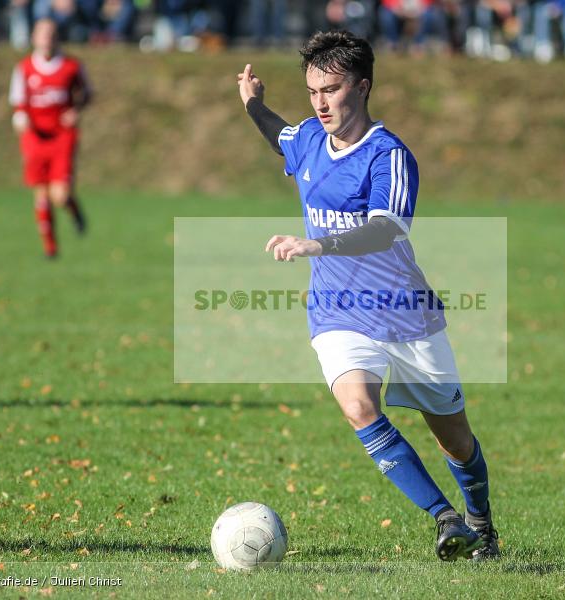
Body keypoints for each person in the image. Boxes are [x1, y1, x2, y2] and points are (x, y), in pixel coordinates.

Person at [236, 30, 500, 562]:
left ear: (362, 87)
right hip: (337, 312)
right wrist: (253, 105)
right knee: (358, 406)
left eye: (331, 90)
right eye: (312, 91)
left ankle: (482, 525)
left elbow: (384, 230)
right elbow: (281, 136)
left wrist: (318, 243)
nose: (320, 102)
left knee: (456, 440)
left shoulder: (389, 156)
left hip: (406, 315)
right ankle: (445, 519)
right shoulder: (310, 137)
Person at [9, 18, 92, 259]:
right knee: (41, 193)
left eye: (51, 34)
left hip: (62, 136)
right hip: (35, 137)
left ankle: (74, 209)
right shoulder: (24, 68)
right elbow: (18, 103)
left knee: (60, 195)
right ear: (34, 37)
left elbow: (87, 93)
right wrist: (20, 118)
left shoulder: (71, 66)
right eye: (42, 34)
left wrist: (75, 111)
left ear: (57, 38)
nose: (46, 39)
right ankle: (50, 248)